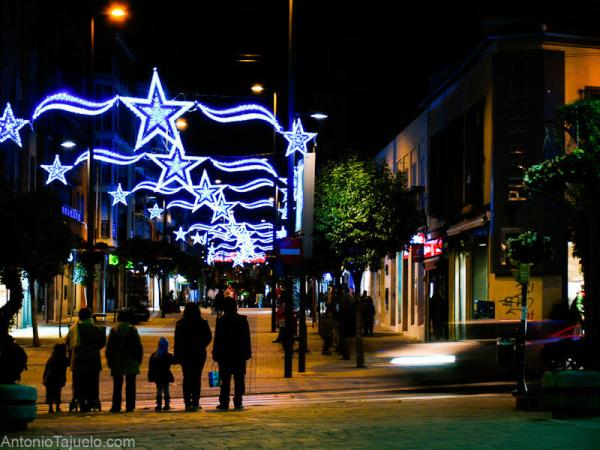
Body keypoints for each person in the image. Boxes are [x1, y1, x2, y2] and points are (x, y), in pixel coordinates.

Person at [212, 297, 252, 410]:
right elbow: (246, 338)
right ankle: (238, 401)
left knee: (225, 380)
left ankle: (224, 402)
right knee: (239, 380)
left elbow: (218, 339)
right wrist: (247, 352)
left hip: (225, 355)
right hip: (239, 355)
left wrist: (215, 354)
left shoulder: (221, 321)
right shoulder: (242, 320)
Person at [66, 307, 106, 412]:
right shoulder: (97, 329)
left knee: (78, 382)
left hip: (78, 361)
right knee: (92, 382)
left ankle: (79, 398)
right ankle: (92, 398)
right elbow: (102, 343)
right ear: (90, 316)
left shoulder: (73, 329)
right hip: (93, 361)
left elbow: (67, 342)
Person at [175, 302, 212, 411]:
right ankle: (195, 402)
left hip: (185, 353)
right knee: (196, 377)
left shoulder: (181, 324)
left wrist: (177, 355)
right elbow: (209, 337)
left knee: (187, 377)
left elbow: (177, 341)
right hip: (199, 353)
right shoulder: (202, 323)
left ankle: (187, 402)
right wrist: (201, 344)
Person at [106, 309, 143, 412]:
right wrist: (138, 360)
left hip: (117, 361)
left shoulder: (113, 330)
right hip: (131, 360)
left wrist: (110, 361)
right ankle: (130, 406)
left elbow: (109, 347)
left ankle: (116, 406)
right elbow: (138, 347)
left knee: (117, 386)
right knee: (131, 385)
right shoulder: (132, 330)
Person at [148, 337, 175, 412]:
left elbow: (151, 367)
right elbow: (174, 361)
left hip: (158, 376)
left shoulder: (154, 356)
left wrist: (151, 376)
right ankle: (167, 404)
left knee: (159, 390)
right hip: (166, 375)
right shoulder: (168, 355)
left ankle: (159, 405)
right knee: (166, 390)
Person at [43, 343, 69, 413]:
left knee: (50, 393)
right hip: (57, 378)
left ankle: (50, 408)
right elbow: (68, 362)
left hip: (49, 378)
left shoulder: (52, 358)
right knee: (57, 393)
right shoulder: (62, 359)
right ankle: (57, 407)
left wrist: (44, 378)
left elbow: (46, 368)